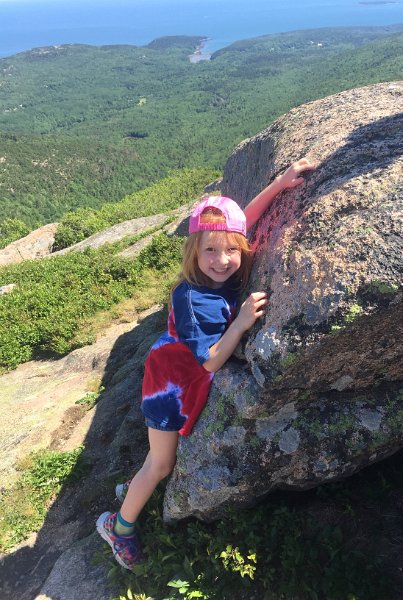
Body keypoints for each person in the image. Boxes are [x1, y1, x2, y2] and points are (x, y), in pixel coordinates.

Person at [96, 158, 316, 569]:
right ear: (193, 252)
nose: (223, 259)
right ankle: (118, 526)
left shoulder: (220, 267)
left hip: (181, 373)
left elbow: (241, 222)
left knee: (160, 456)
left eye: (232, 250)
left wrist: (280, 185)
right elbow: (212, 362)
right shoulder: (194, 300)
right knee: (162, 463)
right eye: (210, 251)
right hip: (169, 384)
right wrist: (242, 322)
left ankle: (133, 486)